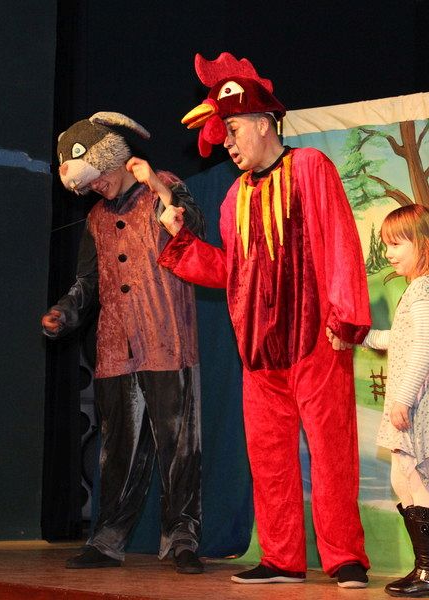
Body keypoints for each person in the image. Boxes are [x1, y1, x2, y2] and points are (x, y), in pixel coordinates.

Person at [157, 53, 370, 588]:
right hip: (258, 352)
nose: (228, 145)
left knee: (332, 453)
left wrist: (346, 318)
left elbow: (340, 241)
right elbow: (232, 271)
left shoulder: (311, 167)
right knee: (269, 459)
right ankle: (281, 559)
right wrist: (181, 241)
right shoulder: (234, 197)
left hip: (316, 340)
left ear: (262, 122)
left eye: (231, 131)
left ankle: (345, 557)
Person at [42, 111, 206, 575]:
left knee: (179, 447)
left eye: (97, 176)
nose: (95, 187)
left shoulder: (163, 187)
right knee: (118, 451)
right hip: (116, 348)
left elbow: (194, 229)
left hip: (168, 339)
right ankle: (108, 541)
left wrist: (158, 187)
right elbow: (87, 282)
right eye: (87, 184)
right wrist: (64, 313)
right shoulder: (96, 218)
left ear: (114, 158)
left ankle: (182, 540)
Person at [346, 203, 429, 598]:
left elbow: (425, 347)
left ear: (423, 244)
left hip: (420, 399)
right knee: (403, 476)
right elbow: (401, 339)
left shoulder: (425, 289)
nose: (389, 253)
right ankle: (426, 567)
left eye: (397, 244)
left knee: (417, 476)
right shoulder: (419, 289)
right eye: (386, 244)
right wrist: (359, 335)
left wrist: (404, 399)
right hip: (415, 397)